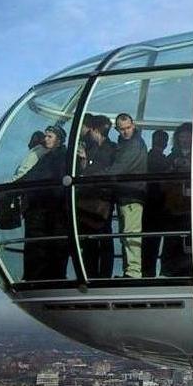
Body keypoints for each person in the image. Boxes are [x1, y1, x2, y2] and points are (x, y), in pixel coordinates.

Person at [15, 125, 69, 281]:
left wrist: (13, 188)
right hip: (50, 210)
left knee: (41, 246)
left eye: (49, 136)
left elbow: (33, 177)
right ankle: (50, 276)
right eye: (46, 136)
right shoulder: (52, 156)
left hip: (48, 211)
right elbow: (32, 176)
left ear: (59, 139)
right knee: (48, 246)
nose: (45, 139)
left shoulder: (57, 157)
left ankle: (38, 277)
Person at [106, 113, 148, 278]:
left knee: (130, 234)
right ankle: (130, 270)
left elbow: (118, 169)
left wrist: (96, 176)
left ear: (133, 126)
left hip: (131, 196)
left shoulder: (133, 145)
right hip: (128, 196)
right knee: (127, 234)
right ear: (117, 129)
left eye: (128, 128)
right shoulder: (130, 144)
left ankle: (133, 272)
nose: (125, 132)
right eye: (122, 129)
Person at [76, 115, 116, 278]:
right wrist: (84, 161)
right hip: (89, 199)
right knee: (90, 237)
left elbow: (107, 172)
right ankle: (92, 273)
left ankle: (102, 274)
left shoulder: (110, 149)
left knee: (103, 235)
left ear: (95, 129)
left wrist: (87, 171)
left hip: (101, 199)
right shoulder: (95, 148)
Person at [161, 123, 193, 276]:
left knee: (189, 241)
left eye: (187, 136)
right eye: (182, 137)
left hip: (192, 207)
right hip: (174, 206)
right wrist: (173, 167)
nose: (185, 140)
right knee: (172, 241)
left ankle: (188, 270)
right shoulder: (171, 158)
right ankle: (170, 271)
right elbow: (162, 180)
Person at [143, 130, 170, 276]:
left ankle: (148, 273)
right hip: (160, 206)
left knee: (149, 243)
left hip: (148, 205)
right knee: (157, 242)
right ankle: (154, 272)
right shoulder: (165, 161)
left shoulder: (146, 158)